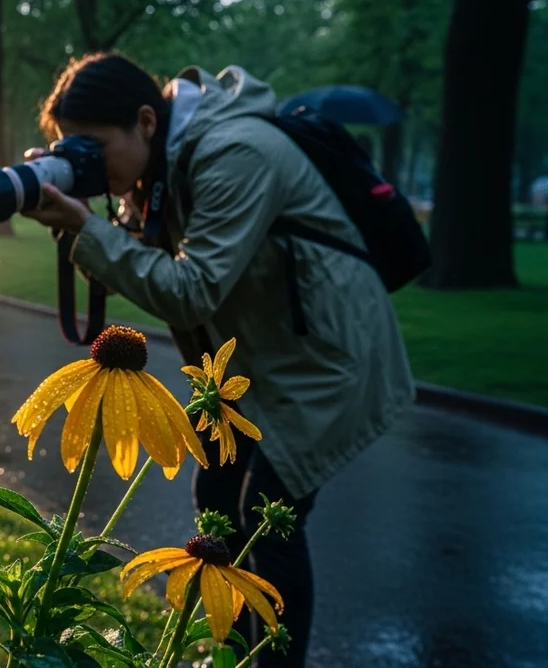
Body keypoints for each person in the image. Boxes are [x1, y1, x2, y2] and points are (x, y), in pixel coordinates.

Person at [25, 53, 413, 668]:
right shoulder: (163, 167)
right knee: (215, 500)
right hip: (264, 357)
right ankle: (228, 653)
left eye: (93, 147)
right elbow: (154, 264)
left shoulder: (236, 153)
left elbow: (193, 288)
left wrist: (89, 232)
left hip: (327, 356)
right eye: (71, 148)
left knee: (266, 518)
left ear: (146, 121)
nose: (86, 162)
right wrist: (85, 217)